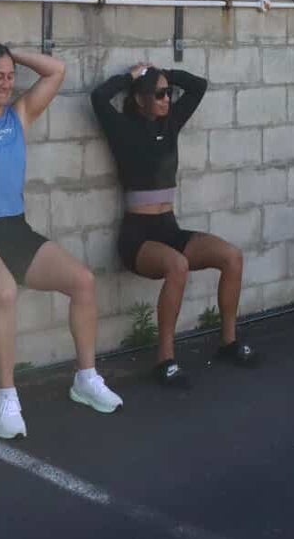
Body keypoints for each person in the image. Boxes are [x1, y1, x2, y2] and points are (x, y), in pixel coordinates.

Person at [0, 42, 122, 440]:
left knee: (83, 281)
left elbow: (57, 71)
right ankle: (5, 397)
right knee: (4, 292)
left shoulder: (19, 117)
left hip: (16, 231)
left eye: (10, 76)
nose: (6, 83)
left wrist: (13, 54)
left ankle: (86, 378)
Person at [91, 62, 256, 389]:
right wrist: (130, 77)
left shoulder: (170, 124)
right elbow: (98, 97)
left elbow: (198, 86)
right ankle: (165, 360)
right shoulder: (122, 128)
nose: (167, 99)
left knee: (232, 257)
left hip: (169, 229)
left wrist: (164, 72)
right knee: (177, 266)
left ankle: (229, 342)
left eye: (168, 93)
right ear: (140, 99)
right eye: (159, 94)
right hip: (137, 237)